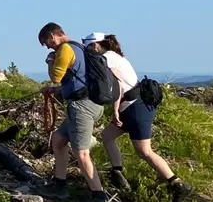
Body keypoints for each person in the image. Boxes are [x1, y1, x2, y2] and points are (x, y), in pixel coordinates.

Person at [90, 33, 194, 202]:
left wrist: (115, 110)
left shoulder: (107, 58)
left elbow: (116, 85)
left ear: (95, 45)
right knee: (107, 136)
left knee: (144, 151)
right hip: (133, 107)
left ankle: (178, 184)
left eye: (88, 46)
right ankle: (117, 174)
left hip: (134, 109)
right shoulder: (115, 56)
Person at [38, 22, 107, 201]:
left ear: (52, 36)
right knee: (59, 140)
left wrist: (50, 60)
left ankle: (99, 195)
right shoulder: (79, 47)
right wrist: (53, 91)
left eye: (46, 42)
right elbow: (77, 80)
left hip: (81, 107)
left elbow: (55, 76)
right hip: (89, 102)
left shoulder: (65, 50)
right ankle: (60, 186)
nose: (47, 46)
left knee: (81, 153)